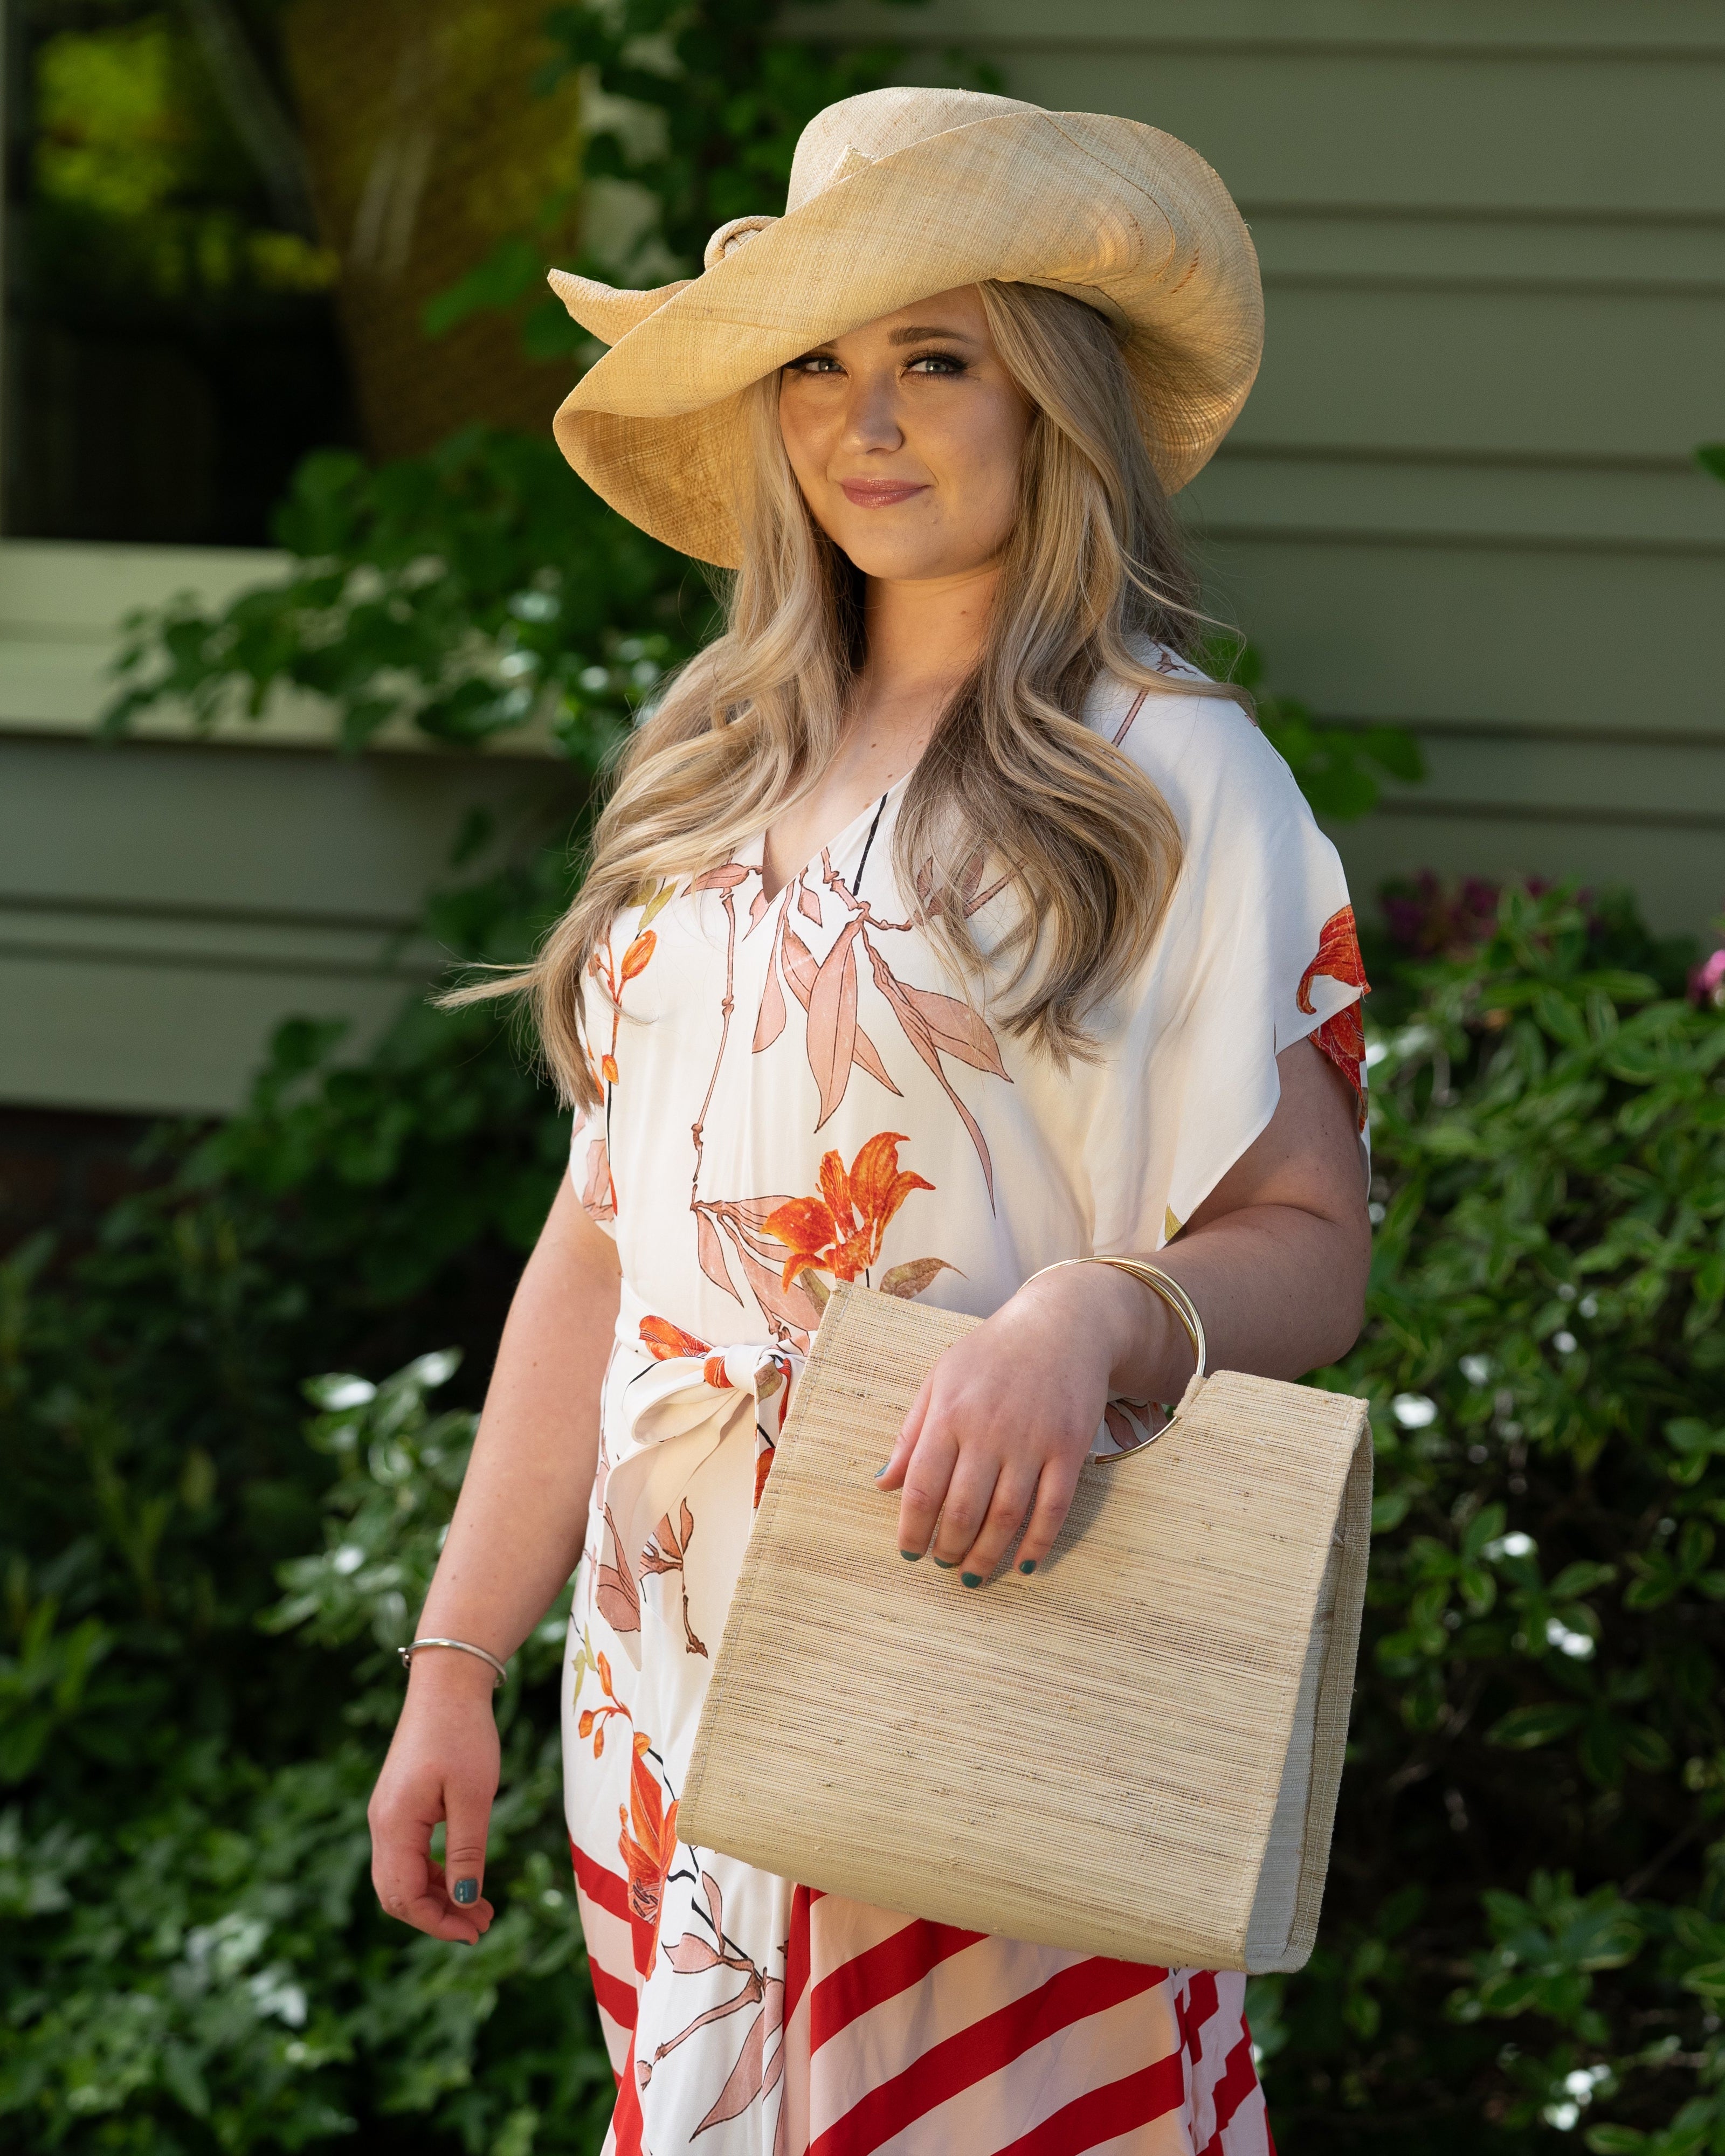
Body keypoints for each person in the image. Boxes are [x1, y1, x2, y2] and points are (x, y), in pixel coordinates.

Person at [368, 86, 1372, 2156]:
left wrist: (1084, 1322)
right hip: (667, 1689)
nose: (870, 420)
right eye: (819, 367)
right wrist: (458, 1652)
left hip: (985, 1634)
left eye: (939, 359)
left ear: (1056, 401)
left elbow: (1313, 1235)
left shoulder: (1167, 771)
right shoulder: (712, 771)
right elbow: (600, 1248)